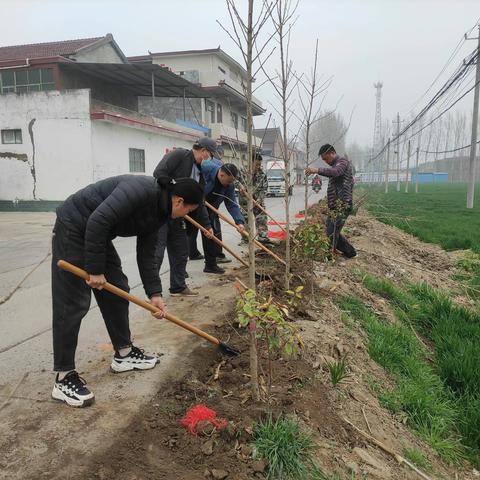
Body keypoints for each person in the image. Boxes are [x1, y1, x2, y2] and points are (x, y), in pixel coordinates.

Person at [51, 175, 204, 407]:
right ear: (179, 201)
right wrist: (94, 269)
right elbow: (98, 220)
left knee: (117, 290)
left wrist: (155, 294)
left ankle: (123, 354)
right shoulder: (140, 190)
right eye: (188, 211)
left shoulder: (161, 212)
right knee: (72, 304)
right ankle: (63, 377)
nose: (187, 215)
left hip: (96, 233)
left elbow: (147, 254)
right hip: (74, 226)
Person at [153, 138, 216, 297]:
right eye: (210, 154)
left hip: (178, 216)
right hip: (161, 211)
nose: (209, 158)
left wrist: (207, 225)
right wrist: (174, 188)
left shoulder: (199, 172)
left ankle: (178, 286)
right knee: (156, 253)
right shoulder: (179, 155)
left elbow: (199, 202)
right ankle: (153, 293)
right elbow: (159, 173)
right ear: (203, 150)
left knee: (181, 251)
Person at [305, 144, 357, 258]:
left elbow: (335, 172)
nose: (325, 162)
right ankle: (350, 252)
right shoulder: (334, 165)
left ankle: (329, 255)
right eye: (323, 160)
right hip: (335, 206)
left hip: (342, 205)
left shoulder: (342, 162)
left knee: (331, 233)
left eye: (325, 158)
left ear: (332, 153)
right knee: (332, 230)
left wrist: (317, 170)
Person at [201, 161, 246, 273]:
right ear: (221, 175)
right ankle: (191, 255)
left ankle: (210, 265)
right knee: (187, 234)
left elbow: (231, 204)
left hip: (211, 208)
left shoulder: (229, 185)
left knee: (211, 233)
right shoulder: (206, 169)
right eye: (229, 181)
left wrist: (239, 221)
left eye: (232, 181)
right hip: (195, 203)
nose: (230, 183)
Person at [238, 153, 271, 245]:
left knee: (262, 217)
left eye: (259, 164)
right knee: (245, 219)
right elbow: (234, 180)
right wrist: (240, 186)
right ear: (250, 162)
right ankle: (245, 238)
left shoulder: (262, 175)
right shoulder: (242, 171)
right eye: (256, 164)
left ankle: (262, 236)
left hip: (257, 201)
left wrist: (260, 199)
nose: (258, 167)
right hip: (245, 201)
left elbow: (264, 189)